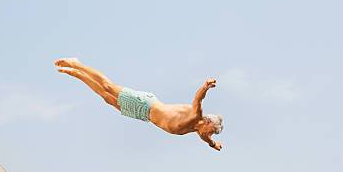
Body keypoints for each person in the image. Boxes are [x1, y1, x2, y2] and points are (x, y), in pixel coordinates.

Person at [55, 58, 223, 151]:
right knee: (108, 87)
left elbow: (206, 139)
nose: (211, 134)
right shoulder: (196, 115)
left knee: (106, 98)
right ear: (208, 122)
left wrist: (213, 144)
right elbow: (198, 99)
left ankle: (76, 74)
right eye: (213, 131)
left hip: (143, 115)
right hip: (146, 104)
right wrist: (206, 86)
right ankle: (75, 64)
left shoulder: (199, 131)